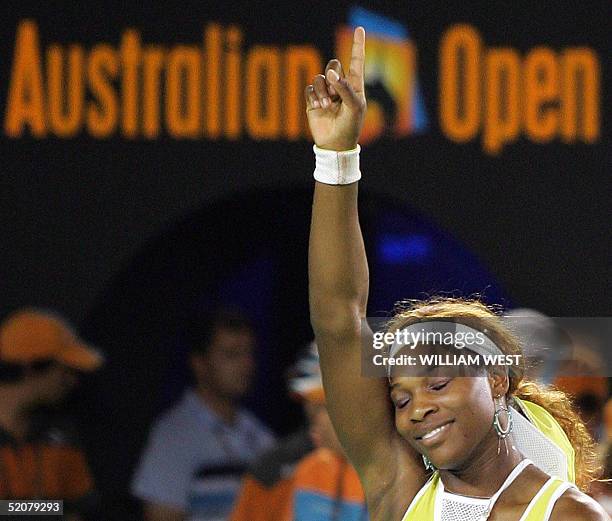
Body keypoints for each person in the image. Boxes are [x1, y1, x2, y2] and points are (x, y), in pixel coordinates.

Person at [305, 26, 609, 520]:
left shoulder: (567, 515)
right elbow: (339, 318)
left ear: (495, 381)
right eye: (400, 399)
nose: (417, 409)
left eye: (438, 384)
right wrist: (336, 156)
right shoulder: (399, 484)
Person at [132, 310, 275, 521]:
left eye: (249, 353)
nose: (246, 364)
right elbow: (161, 515)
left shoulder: (260, 435)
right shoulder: (174, 436)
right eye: (232, 354)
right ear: (199, 363)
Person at [0, 308, 103, 521]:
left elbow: (75, 510)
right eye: (65, 370)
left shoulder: (61, 432)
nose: (73, 381)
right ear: (31, 366)